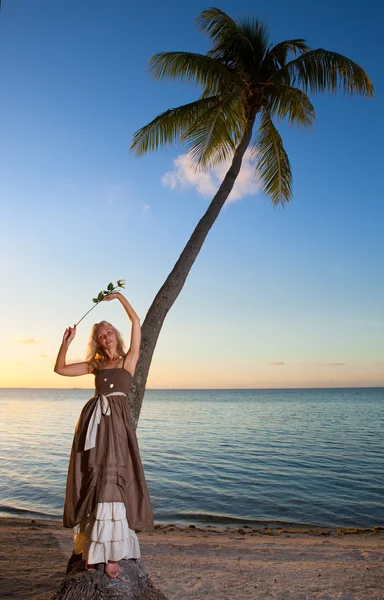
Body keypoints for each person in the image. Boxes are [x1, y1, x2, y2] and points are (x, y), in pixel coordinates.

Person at [54, 292, 154, 579]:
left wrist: (119, 297)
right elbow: (60, 369)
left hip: (118, 427)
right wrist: (66, 343)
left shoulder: (128, 361)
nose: (106, 337)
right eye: (100, 335)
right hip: (94, 426)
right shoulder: (96, 366)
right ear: (97, 342)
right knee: (95, 480)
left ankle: (112, 555)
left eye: (109, 332)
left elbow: (136, 321)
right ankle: (93, 550)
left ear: (115, 336)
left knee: (114, 480)